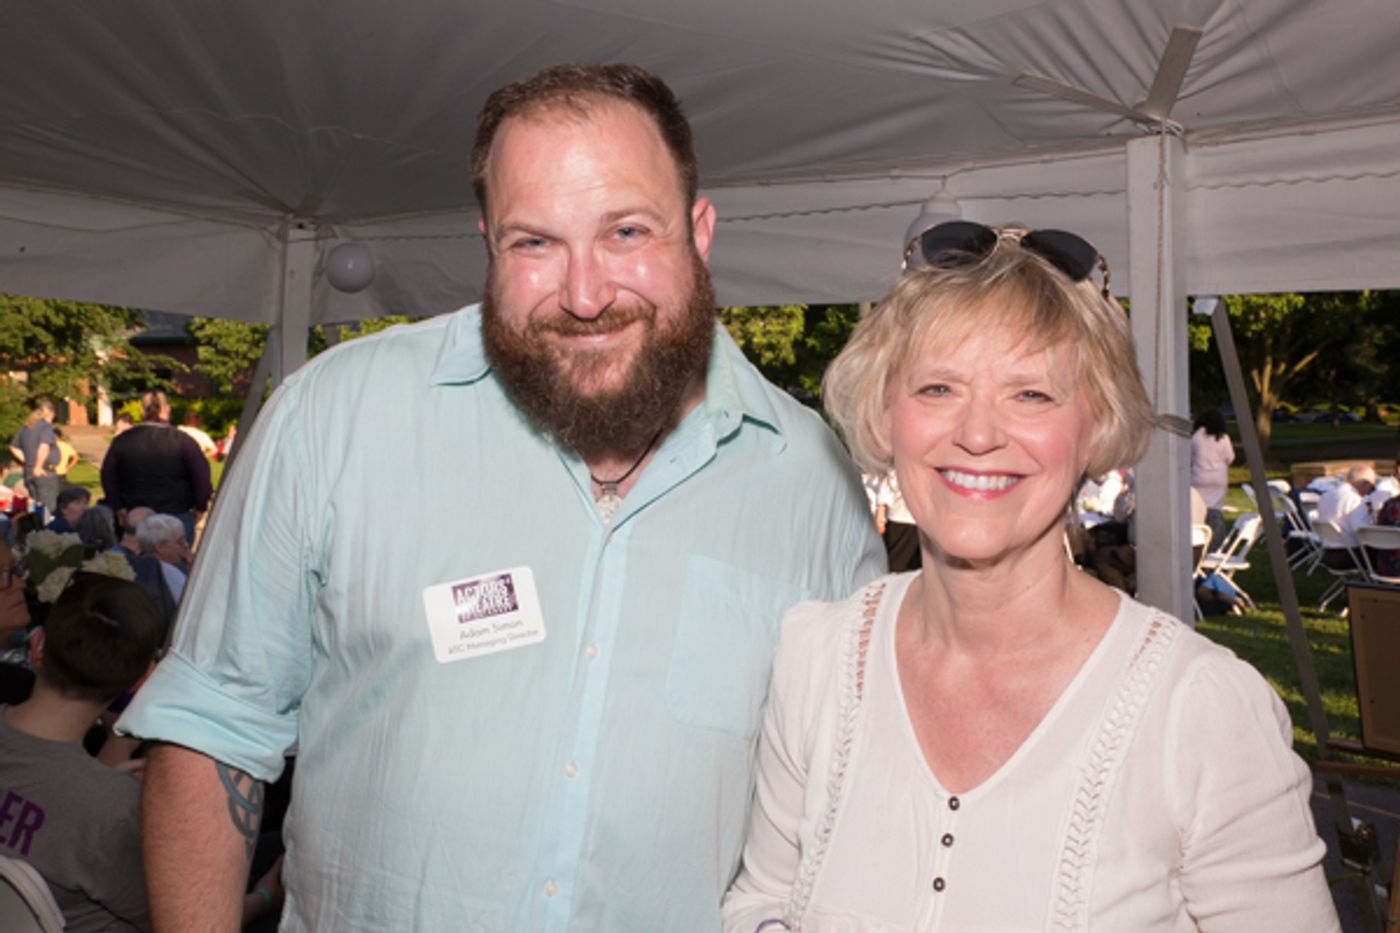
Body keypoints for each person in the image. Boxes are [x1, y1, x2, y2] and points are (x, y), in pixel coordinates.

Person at [118, 62, 884, 932]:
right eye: (536, 243)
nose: (586, 294)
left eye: (626, 231)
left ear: (698, 233)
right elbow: (214, 723)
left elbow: (842, 802)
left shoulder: (811, 480)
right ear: (488, 243)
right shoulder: (335, 418)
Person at [723, 220, 1338, 931]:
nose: (979, 433)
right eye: (938, 387)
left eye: (1031, 395)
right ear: (884, 413)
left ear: (1097, 425)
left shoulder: (1201, 711)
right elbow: (761, 899)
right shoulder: (817, 658)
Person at [0, 574, 162, 932]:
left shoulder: (105, 803)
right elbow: (178, 920)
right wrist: (265, 896)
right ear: (140, 682)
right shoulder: (112, 809)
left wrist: (111, 768)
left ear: (38, 645)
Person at [99, 389, 212, 544]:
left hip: (135, 514)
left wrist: (118, 506)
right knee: (175, 564)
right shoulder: (184, 441)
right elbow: (201, 476)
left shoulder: (122, 441)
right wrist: (200, 506)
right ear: (167, 410)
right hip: (175, 514)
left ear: (141, 411)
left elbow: (108, 476)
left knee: (134, 564)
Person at [1315, 463, 1378, 569]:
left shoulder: (1325, 496)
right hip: (1349, 556)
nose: (1369, 493)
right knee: (1385, 550)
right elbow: (1362, 532)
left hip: (1327, 553)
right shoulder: (1354, 500)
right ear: (1365, 484)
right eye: (1371, 487)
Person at [1190, 407, 1234, 546]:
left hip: (1199, 478)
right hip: (1219, 478)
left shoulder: (1197, 436)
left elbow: (1189, 457)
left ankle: (1199, 541)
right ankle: (1216, 545)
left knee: (1198, 510)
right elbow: (1230, 458)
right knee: (1215, 510)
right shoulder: (1223, 437)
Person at [9, 399, 60, 514]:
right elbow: (44, 446)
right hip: (43, 472)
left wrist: (28, 461)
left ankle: (37, 531)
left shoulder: (26, 427)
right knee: (48, 511)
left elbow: (14, 447)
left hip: (29, 471)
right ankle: (46, 531)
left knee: (37, 509)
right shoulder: (45, 427)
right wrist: (38, 466)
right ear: (51, 413)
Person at [136, 513, 191, 604]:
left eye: (185, 539)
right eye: (180, 542)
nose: (186, 545)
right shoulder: (170, 573)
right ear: (160, 548)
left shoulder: (137, 567)